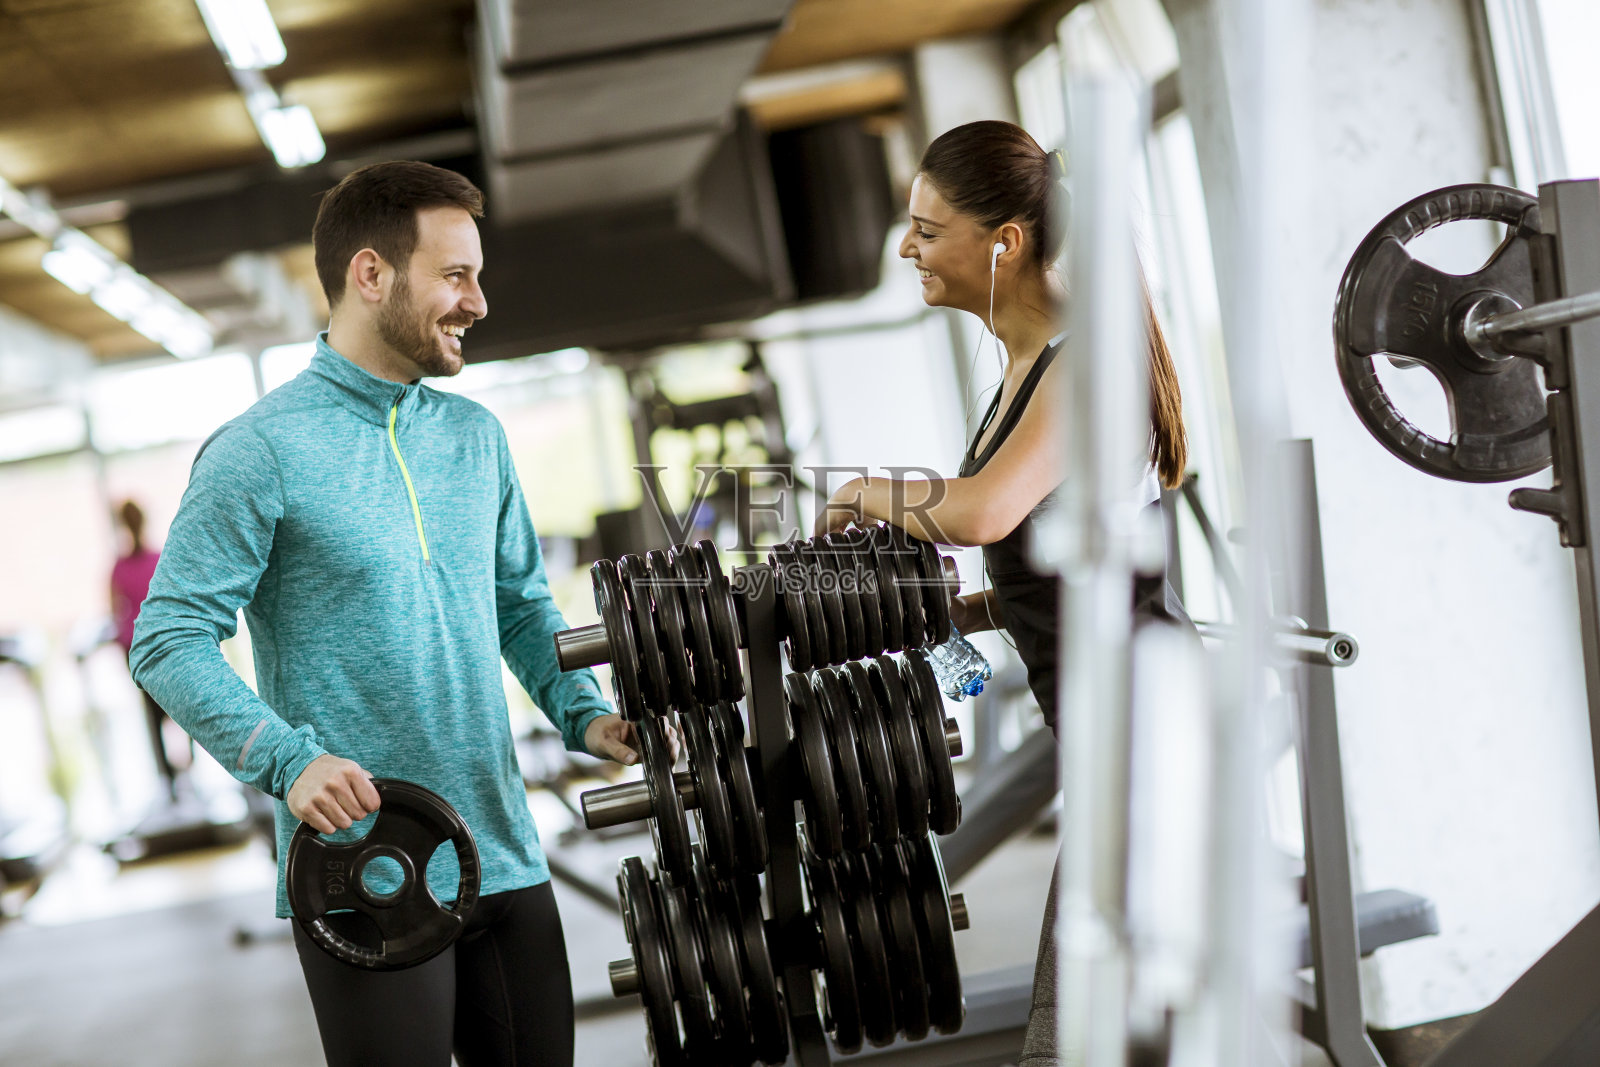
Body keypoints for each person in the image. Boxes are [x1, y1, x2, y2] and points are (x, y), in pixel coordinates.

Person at [131, 160, 655, 1067]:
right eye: (455, 276)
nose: (478, 302)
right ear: (371, 274)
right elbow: (167, 638)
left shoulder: (473, 437)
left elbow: (520, 608)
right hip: (362, 873)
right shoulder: (259, 451)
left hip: (503, 855)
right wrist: (286, 761)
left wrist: (590, 714)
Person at [814, 120, 1189, 1065]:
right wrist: (954, 616)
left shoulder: (1084, 364)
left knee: (1073, 1041)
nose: (907, 248)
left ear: (1003, 243)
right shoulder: (1023, 370)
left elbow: (982, 513)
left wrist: (866, 490)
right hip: (1110, 740)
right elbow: (1044, 562)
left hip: (1146, 738)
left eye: (926, 229)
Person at [110, 499, 191, 800]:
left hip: (138, 650)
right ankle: (186, 768)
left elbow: (116, 613)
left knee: (154, 717)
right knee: (182, 708)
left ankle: (170, 777)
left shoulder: (118, 568)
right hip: (163, 645)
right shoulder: (160, 558)